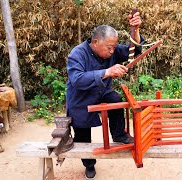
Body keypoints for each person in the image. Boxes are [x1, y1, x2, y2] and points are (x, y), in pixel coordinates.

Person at [66, 12, 144, 179]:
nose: (112, 51)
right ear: (95, 42)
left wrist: (134, 29)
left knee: (115, 99)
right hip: (80, 98)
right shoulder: (77, 54)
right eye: (109, 48)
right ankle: (89, 165)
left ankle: (119, 134)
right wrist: (107, 72)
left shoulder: (112, 49)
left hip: (101, 92)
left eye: (114, 47)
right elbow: (77, 80)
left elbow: (133, 50)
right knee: (82, 136)